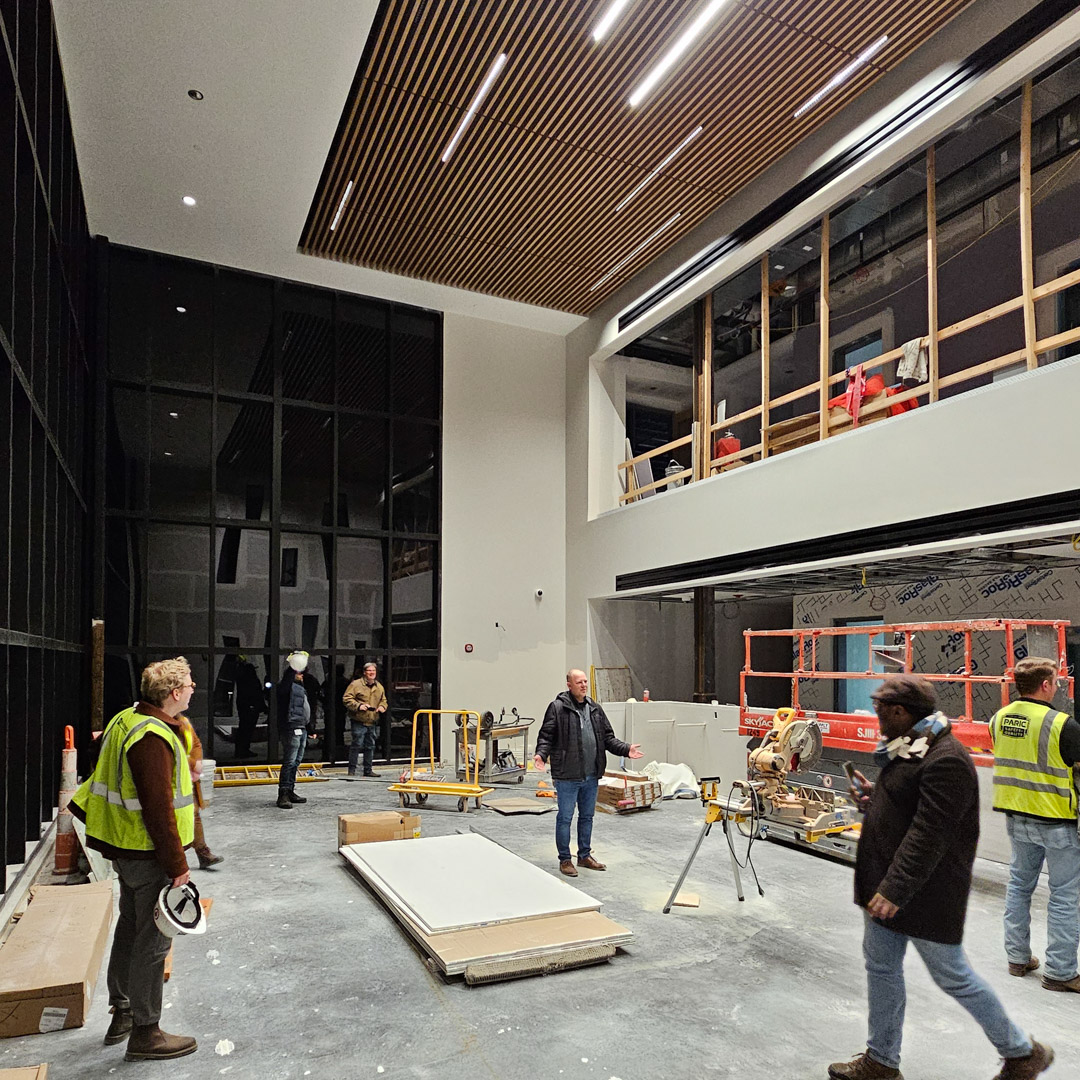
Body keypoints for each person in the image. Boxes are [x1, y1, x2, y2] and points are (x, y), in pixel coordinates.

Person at [829, 675, 1051, 1080]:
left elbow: (930, 833)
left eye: (881, 712)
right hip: (885, 887)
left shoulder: (946, 759)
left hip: (922, 894)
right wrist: (873, 800)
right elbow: (908, 807)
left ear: (901, 712)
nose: (876, 719)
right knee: (881, 969)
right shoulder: (913, 746)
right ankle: (881, 1060)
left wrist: (895, 889)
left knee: (953, 975)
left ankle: (1022, 1052)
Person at [69, 657, 199, 1061]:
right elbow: (158, 809)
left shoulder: (128, 719)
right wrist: (178, 866)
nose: (194, 689)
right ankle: (147, 1031)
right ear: (174, 693)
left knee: (131, 924)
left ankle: (122, 1009)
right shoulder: (152, 738)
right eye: (190, 684)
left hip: (124, 846)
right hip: (146, 851)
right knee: (154, 938)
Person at [990, 655, 1080, 992]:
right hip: (1057, 822)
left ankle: (1017, 958)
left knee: (1019, 886)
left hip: (1016, 818)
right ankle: (1060, 972)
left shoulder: (998, 718)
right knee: (1064, 897)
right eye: (1055, 682)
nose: (1057, 687)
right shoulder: (1061, 724)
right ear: (1045, 685)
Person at [533, 668, 643, 877]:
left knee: (587, 817)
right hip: (567, 775)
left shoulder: (595, 709)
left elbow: (608, 738)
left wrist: (626, 749)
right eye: (579, 682)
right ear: (569, 685)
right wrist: (540, 754)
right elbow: (546, 736)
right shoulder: (557, 708)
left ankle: (584, 855)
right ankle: (565, 859)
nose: (584, 685)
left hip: (591, 774)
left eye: (585, 682)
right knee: (565, 817)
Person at [275, 651, 319, 809]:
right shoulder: (286, 689)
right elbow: (284, 688)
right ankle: (283, 794)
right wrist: (293, 666)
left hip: (301, 728)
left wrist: (310, 728)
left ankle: (290, 790)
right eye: (299, 673)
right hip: (291, 728)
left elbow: (304, 710)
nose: (302, 675)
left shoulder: (301, 689)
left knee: (296, 762)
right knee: (289, 761)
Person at [178, 714, 222, 869]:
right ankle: (177, 859)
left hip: (188, 778)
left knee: (194, 815)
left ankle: (203, 853)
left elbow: (196, 743)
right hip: (174, 779)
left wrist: (195, 763)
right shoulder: (164, 724)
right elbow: (174, 752)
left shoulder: (182, 721)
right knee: (176, 819)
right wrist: (193, 764)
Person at [343, 662, 388, 777]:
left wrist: (383, 707)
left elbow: (384, 700)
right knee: (356, 745)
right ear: (364, 672)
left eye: (374, 671)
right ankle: (351, 771)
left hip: (372, 720)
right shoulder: (355, 684)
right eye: (369, 671)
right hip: (359, 720)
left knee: (370, 746)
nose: (372, 673)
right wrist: (358, 706)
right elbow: (346, 698)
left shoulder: (379, 686)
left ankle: (368, 770)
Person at [233, 655, 265, 759]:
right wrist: (259, 705)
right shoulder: (249, 678)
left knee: (244, 728)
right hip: (250, 706)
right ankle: (243, 750)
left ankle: (241, 750)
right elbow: (255, 692)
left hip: (245, 706)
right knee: (247, 729)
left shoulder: (240, 675)